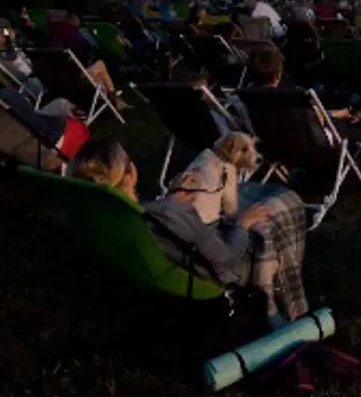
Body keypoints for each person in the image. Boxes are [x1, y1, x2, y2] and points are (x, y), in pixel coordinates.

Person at [70, 139, 310, 328]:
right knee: (284, 203)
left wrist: (174, 199)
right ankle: (286, 306)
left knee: (253, 196)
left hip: (169, 257)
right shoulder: (167, 214)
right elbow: (226, 258)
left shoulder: (114, 215)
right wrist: (243, 224)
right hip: (218, 270)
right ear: (131, 172)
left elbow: (162, 218)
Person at [228, 45, 361, 181]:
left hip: (271, 147)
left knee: (334, 121)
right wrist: (342, 112)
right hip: (312, 148)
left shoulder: (242, 98)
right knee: (348, 130)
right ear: (279, 73)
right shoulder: (294, 97)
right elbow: (316, 120)